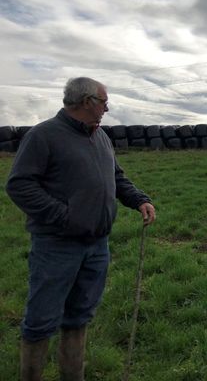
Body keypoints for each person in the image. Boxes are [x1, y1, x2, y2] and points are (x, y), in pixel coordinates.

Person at [5, 77, 156, 380]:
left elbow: (116, 176)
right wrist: (65, 216)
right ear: (87, 101)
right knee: (40, 321)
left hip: (96, 245)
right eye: (104, 102)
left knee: (79, 317)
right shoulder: (44, 136)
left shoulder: (100, 137)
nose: (107, 109)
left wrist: (138, 200)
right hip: (56, 247)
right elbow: (19, 185)